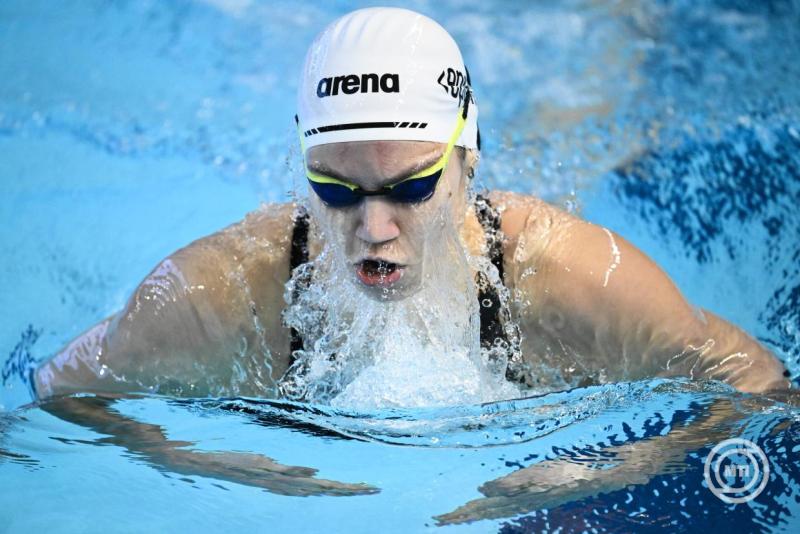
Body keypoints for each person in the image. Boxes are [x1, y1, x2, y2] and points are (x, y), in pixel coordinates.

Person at [33, 7, 790, 402]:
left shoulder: (568, 277)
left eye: (410, 187)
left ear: (467, 159)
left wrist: (601, 472)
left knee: (594, 125)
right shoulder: (220, 296)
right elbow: (61, 393)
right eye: (336, 189)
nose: (373, 228)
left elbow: (757, 383)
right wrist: (234, 470)